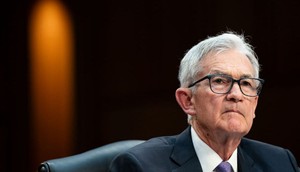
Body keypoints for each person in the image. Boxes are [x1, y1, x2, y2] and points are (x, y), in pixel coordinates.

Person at [109, 31, 300, 172]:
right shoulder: (140, 166)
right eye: (219, 81)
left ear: (255, 103)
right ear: (188, 101)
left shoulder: (280, 163)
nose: (236, 94)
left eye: (246, 83)